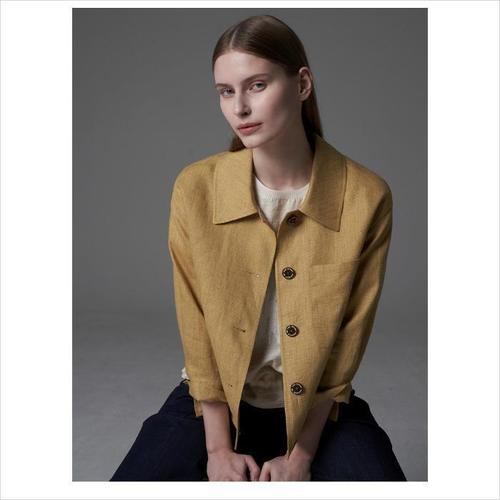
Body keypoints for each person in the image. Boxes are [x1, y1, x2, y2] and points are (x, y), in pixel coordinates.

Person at [110, 14, 407, 481]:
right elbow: (196, 326)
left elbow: (346, 343)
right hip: (212, 404)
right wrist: (217, 449)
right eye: (226, 91)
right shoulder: (196, 188)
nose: (240, 108)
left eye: (257, 85)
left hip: (319, 409)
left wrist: (301, 456)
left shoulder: (366, 197)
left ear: (302, 84)